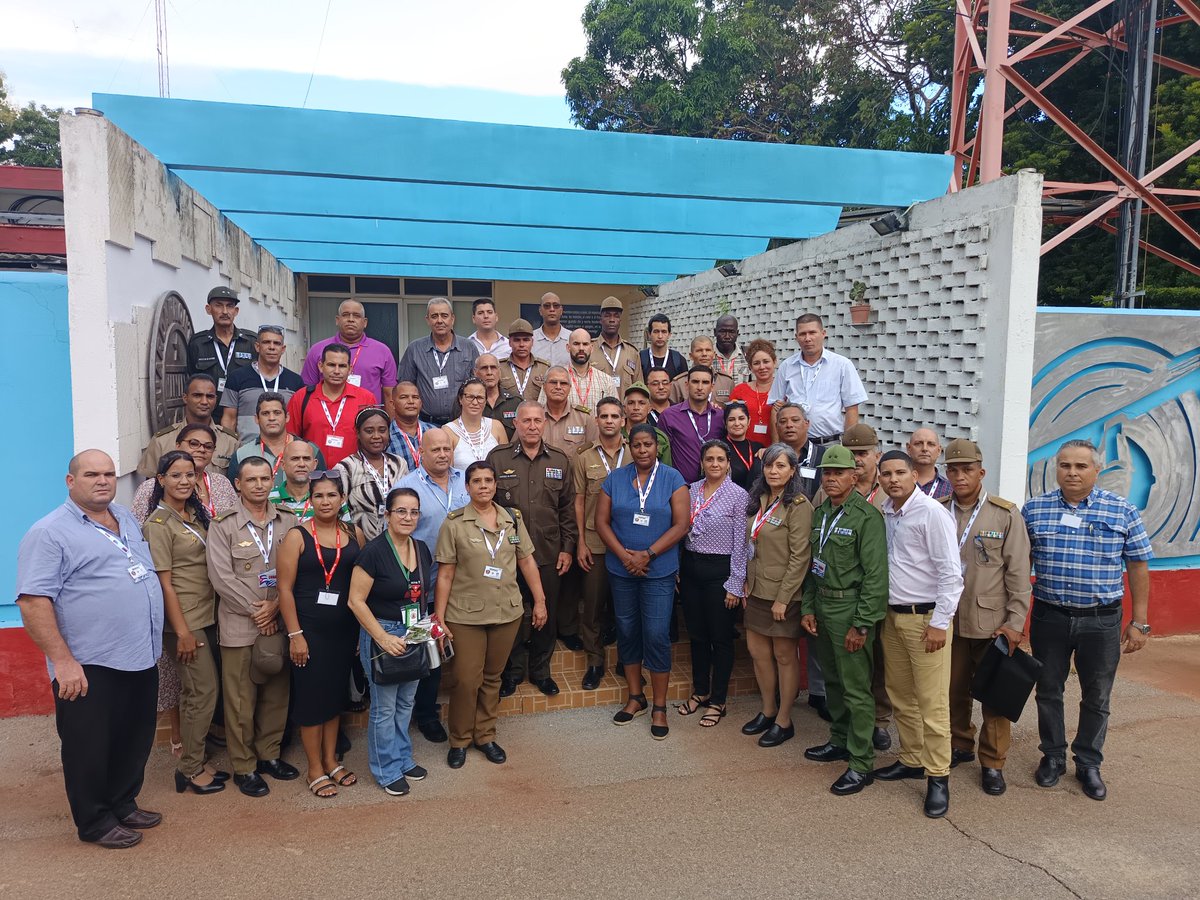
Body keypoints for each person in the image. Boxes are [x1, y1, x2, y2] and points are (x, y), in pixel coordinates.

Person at [16, 450, 164, 849]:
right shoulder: (49, 532)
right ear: (70, 481)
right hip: (88, 663)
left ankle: (122, 801)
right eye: (91, 474)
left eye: (109, 474)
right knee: (90, 745)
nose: (102, 480)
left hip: (139, 654)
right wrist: (63, 662)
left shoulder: (125, 517)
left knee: (134, 737)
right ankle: (95, 820)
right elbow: (33, 601)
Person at [1024, 438, 1153, 802]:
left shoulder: (1122, 510)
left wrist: (1140, 621)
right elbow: (1018, 566)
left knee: (1097, 695)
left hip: (1102, 621)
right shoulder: (1034, 510)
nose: (1072, 472)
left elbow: (1138, 566)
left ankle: (1088, 762)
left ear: (1097, 470)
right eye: (1065, 465)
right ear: (1056, 469)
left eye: (1081, 466)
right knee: (1048, 689)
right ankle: (1052, 757)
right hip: (1050, 616)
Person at [435, 461, 547, 767]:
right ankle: (459, 739)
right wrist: (439, 617)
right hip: (466, 615)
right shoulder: (454, 523)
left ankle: (484, 735)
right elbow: (445, 574)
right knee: (465, 679)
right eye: (476, 481)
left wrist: (539, 601)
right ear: (467, 487)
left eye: (488, 480)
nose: (483, 486)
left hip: (506, 612)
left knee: (492, 677)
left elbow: (526, 562)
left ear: (496, 485)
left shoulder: (512, 519)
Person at [874, 450, 963, 819]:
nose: (893, 479)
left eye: (900, 472)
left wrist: (941, 622)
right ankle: (911, 758)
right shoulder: (887, 513)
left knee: (932, 702)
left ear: (915, 474)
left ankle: (938, 776)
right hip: (893, 619)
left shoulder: (932, 513)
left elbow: (951, 574)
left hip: (926, 620)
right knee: (900, 696)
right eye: (887, 474)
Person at [940, 439, 1031, 797]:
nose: (960, 476)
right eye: (953, 469)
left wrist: (1015, 623)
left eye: (967, 469)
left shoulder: (1004, 514)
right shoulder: (937, 509)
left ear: (982, 471)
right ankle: (960, 744)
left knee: (995, 697)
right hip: (948, 620)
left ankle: (993, 763)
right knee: (951, 691)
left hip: (992, 623)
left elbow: (1019, 575)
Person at [206, 457, 299, 797]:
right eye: (251, 480)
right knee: (241, 701)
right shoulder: (223, 525)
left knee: (277, 694)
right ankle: (244, 766)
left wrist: (275, 608)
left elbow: (297, 569)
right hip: (240, 626)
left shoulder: (288, 521)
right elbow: (221, 578)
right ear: (237, 485)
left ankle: (270, 755)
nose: (259, 485)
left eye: (264, 479)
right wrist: (257, 611)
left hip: (279, 620)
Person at [800, 446, 889, 796]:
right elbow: (813, 567)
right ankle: (839, 740)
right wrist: (808, 608)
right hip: (822, 607)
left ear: (855, 476)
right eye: (827, 473)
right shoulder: (822, 512)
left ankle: (861, 762)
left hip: (850, 610)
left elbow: (875, 577)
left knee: (856, 689)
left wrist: (862, 624)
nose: (831, 479)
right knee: (833, 682)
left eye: (838, 473)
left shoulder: (866, 518)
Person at [596, 424, 690, 741]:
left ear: (657, 447)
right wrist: (626, 556)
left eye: (648, 444)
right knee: (627, 629)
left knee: (656, 633)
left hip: (658, 570)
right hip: (622, 569)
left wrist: (647, 554)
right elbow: (601, 522)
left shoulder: (673, 479)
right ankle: (636, 696)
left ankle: (660, 705)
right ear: (630, 447)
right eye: (637, 445)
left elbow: (682, 524)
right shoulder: (616, 478)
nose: (643, 450)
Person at [142, 451, 227, 796]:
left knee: (202, 692)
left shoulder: (194, 516)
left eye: (189, 475)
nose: (183, 481)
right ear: (160, 480)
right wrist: (181, 633)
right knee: (201, 692)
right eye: (175, 475)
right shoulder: (158, 525)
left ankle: (196, 760)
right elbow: (165, 584)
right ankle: (189, 769)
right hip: (186, 622)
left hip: (208, 614)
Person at [276, 470, 364, 798]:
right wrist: (295, 634)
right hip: (309, 631)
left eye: (331, 495)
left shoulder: (353, 534)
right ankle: (314, 767)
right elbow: (284, 590)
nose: (325, 501)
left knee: (334, 697)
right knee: (313, 700)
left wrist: (358, 633)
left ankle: (331, 760)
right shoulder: (298, 537)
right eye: (319, 496)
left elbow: (359, 584)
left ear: (342, 499)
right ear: (310, 500)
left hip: (343, 631)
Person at [348, 487, 436, 795]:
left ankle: (402, 758)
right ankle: (385, 769)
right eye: (401, 511)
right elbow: (355, 601)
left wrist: (428, 629)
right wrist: (382, 637)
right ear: (387, 515)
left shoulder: (422, 548)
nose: (408, 517)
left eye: (413, 512)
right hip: (382, 632)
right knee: (384, 708)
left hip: (414, 629)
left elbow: (423, 594)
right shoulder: (373, 552)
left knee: (406, 702)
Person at [489, 402, 577, 697]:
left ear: (543, 424)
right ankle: (512, 672)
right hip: (507, 555)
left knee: (545, 614)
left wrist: (567, 548)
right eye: (525, 420)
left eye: (537, 421)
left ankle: (541, 671)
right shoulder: (498, 459)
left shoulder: (560, 460)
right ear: (517, 424)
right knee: (512, 615)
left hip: (548, 552)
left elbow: (567, 510)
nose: (531, 426)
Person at [393, 428, 470, 743]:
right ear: (421, 453)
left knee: (448, 650)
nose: (442, 454)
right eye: (435, 449)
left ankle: (432, 711)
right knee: (425, 652)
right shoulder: (406, 488)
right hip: (423, 586)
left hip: (462, 584)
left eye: (446, 449)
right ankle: (420, 713)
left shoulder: (465, 480)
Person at [740, 444, 814, 749]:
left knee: (785, 656)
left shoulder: (798, 506)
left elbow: (801, 557)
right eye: (769, 465)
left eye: (781, 466)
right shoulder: (757, 499)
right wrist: (744, 580)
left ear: (793, 471)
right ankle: (768, 709)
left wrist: (784, 598)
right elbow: (748, 544)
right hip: (756, 589)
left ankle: (784, 719)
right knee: (758, 653)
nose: (773, 471)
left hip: (783, 595)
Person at [678, 440, 750, 728]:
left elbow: (741, 544)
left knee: (720, 637)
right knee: (697, 635)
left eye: (721, 459)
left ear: (728, 463)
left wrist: (735, 583)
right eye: (710, 459)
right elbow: (681, 529)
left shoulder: (738, 495)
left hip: (721, 571)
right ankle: (700, 691)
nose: (715, 464)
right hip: (691, 567)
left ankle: (718, 700)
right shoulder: (691, 490)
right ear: (702, 462)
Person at [830, 422, 891, 748]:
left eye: (862, 453)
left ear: (876, 456)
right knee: (849, 664)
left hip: (885, 588)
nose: (856, 460)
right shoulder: (833, 488)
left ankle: (879, 720)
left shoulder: (889, 492)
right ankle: (847, 725)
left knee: (878, 661)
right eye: (851, 453)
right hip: (846, 590)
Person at [573, 398, 629, 690]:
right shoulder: (584, 457)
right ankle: (595, 662)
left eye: (614, 416)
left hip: (628, 543)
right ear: (596, 420)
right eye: (604, 416)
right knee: (593, 607)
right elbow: (579, 501)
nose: (609, 420)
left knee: (625, 607)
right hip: (594, 543)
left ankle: (626, 660)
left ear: (623, 420)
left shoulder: (636, 454)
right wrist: (581, 541)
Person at [769, 313, 867, 447]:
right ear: (796, 337)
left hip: (829, 444)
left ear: (823, 333)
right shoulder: (787, 366)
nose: (808, 338)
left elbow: (852, 409)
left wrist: (848, 448)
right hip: (794, 445)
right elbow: (776, 408)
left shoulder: (842, 365)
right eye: (803, 334)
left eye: (812, 332)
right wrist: (776, 446)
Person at [286, 343, 378, 467]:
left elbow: (372, 439)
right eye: (331, 365)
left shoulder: (366, 398)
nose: (336, 371)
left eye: (342, 366)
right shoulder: (301, 398)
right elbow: (290, 439)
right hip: (312, 474)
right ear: (320, 366)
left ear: (350, 369)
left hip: (354, 473)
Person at [302, 300, 398, 414]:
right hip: (326, 419)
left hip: (368, 422)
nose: (351, 319)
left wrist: (390, 426)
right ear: (337, 320)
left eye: (356, 316)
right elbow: (307, 391)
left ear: (365, 322)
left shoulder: (382, 351)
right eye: (346, 315)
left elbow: (389, 394)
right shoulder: (318, 350)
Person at [137, 373, 240, 478]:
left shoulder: (231, 442)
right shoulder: (162, 441)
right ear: (185, 398)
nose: (204, 401)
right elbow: (151, 486)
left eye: (209, 396)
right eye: (197, 395)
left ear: (215, 400)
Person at [397, 298, 479, 426]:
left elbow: (477, 385)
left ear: (452, 319)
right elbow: (404, 386)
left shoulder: (469, 347)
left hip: (461, 423)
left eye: (444, 316)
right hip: (426, 423)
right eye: (434, 316)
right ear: (427, 320)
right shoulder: (415, 349)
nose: (439, 320)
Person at [132, 424, 238, 524]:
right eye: (194, 444)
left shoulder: (222, 482)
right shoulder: (150, 487)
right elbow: (136, 529)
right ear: (177, 445)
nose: (202, 449)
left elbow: (236, 519)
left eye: (208, 446)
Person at [336, 406, 409, 541]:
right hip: (360, 545)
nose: (376, 436)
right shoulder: (346, 468)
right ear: (358, 433)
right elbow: (339, 512)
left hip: (397, 542)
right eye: (369, 431)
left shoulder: (399, 464)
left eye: (382, 430)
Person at [220, 325, 304, 439]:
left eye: (277, 343)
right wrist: (229, 448)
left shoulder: (295, 381)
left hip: (284, 452)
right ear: (257, 347)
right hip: (246, 451)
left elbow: (300, 421)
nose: (272, 347)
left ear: (283, 349)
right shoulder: (237, 377)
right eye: (266, 342)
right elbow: (229, 419)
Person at [186, 285, 257, 419]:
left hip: (245, 415)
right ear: (209, 309)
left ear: (236, 311)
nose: (225, 311)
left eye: (230, 306)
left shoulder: (251, 342)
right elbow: (191, 381)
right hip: (209, 416)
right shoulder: (198, 343)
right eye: (218, 305)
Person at [227, 392, 324, 484]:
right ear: (256, 419)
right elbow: (235, 493)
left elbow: (323, 488)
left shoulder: (310, 450)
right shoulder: (242, 454)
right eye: (265, 413)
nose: (271, 418)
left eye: (277, 413)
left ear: (287, 417)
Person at [657, 366, 726, 483]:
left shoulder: (720, 416)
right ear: (687, 385)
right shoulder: (669, 416)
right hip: (681, 487)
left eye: (705, 382)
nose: (699, 387)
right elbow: (662, 455)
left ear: (712, 387)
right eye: (695, 382)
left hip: (714, 487)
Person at [267, 439, 348, 524]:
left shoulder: (332, 498)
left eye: (306, 459)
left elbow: (347, 533)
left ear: (315, 464)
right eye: (295, 459)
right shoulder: (268, 499)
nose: (301, 464)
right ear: (283, 465)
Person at [545, 328, 617, 414]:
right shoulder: (553, 379)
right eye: (576, 344)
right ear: (568, 348)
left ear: (591, 348)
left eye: (585, 344)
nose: (581, 348)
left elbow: (614, 414)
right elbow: (542, 412)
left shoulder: (606, 381)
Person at [446, 378, 508, 469]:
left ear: (485, 400)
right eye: (470, 397)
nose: (475, 402)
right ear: (460, 399)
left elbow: (506, 465)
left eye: (480, 398)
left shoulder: (497, 427)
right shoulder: (448, 431)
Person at [589, 296, 643, 395]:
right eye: (607, 315)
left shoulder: (632, 352)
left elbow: (638, 387)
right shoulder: (589, 348)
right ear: (600, 319)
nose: (612, 320)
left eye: (616, 316)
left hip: (624, 409)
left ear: (620, 320)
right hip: (597, 409)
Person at [729, 338, 777, 446]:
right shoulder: (740, 391)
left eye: (766, 361)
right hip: (744, 450)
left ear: (774, 362)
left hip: (774, 451)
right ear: (750, 367)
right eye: (756, 363)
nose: (762, 367)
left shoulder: (783, 390)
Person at [461, 354, 521, 438]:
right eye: (484, 368)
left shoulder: (515, 401)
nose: (489, 372)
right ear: (475, 372)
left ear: (499, 372)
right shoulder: (465, 402)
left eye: (493, 368)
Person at [542, 366, 599, 454]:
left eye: (563, 383)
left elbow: (594, 453)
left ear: (570, 387)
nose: (558, 387)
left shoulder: (585, 418)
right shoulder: (534, 416)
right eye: (553, 382)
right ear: (544, 386)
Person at [668, 337, 734, 407]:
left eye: (708, 350)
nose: (704, 354)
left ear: (714, 354)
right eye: (699, 351)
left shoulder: (727, 382)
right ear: (691, 356)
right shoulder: (678, 383)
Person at [499, 319, 551, 402]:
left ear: (532, 342)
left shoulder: (544, 368)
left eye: (526, 340)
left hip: (536, 414)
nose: (521, 345)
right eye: (517, 340)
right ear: (509, 342)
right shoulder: (499, 368)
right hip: (509, 414)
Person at [621, 381, 673, 466]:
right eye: (631, 403)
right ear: (624, 408)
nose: (636, 408)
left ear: (650, 408)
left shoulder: (660, 437)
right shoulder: (616, 435)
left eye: (641, 403)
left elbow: (666, 473)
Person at [386, 381, 434, 471]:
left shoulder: (433, 431)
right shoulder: (386, 436)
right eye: (404, 397)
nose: (411, 401)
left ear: (420, 403)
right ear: (393, 404)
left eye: (415, 397)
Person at [639, 313, 688, 381]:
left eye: (664, 332)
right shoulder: (640, 358)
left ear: (669, 335)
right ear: (649, 334)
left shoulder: (679, 360)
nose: (660, 336)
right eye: (656, 331)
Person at [721, 401, 758, 490]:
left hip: (757, 501)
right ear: (725, 423)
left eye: (741, 418)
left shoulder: (758, 448)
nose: (737, 423)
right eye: (731, 419)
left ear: (749, 421)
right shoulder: (718, 449)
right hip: (729, 500)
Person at [908, 428, 953, 500]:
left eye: (931, 444)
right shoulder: (898, 483)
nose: (924, 449)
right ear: (909, 448)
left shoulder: (950, 489)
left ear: (939, 450)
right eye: (918, 444)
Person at [532, 292, 570, 368]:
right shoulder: (531, 339)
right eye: (547, 306)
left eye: (556, 306)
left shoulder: (572, 338)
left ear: (561, 310)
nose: (552, 309)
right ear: (540, 311)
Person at [713, 314, 751, 382]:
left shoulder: (747, 355)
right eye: (723, 331)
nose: (727, 336)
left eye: (731, 332)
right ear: (715, 332)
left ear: (737, 333)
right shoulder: (706, 357)